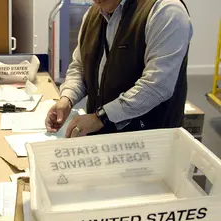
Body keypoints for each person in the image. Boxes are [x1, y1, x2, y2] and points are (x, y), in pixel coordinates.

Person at [45, 0, 193, 138]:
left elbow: (157, 86)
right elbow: (80, 66)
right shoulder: (93, 14)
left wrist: (101, 117)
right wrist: (67, 99)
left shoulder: (166, 12)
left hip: (151, 140)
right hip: (104, 135)